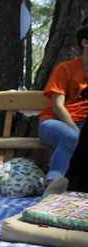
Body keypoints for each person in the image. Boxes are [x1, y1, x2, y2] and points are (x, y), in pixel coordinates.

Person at [38, 20, 88, 196]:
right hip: (53, 123)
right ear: (85, 42)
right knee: (73, 137)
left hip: (82, 127)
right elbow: (58, 107)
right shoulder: (65, 69)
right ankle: (53, 187)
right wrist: (79, 134)